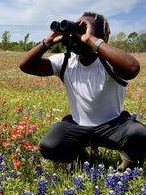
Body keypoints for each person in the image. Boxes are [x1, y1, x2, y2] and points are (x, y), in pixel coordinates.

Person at [19, 12, 146, 171]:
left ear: (100, 37)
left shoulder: (111, 62)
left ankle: (131, 159)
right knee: (49, 146)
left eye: (85, 29)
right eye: (77, 28)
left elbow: (132, 68)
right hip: (78, 126)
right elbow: (26, 66)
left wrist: (90, 40)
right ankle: (82, 158)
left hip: (112, 125)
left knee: (141, 134)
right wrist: (48, 42)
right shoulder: (66, 61)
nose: (78, 34)